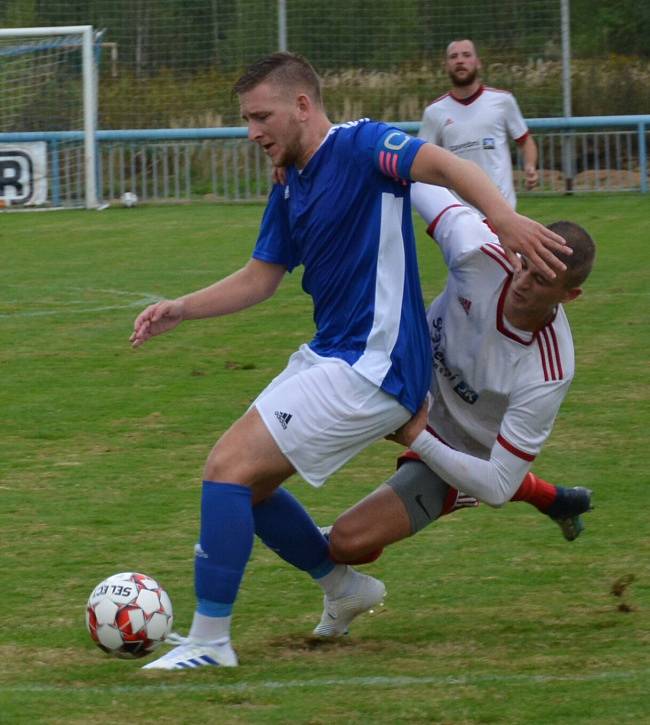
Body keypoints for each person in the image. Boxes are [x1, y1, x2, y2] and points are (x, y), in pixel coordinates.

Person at [129, 52, 569, 670]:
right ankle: (343, 586)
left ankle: (210, 642)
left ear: (302, 106)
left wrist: (504, 217)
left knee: (226, 467)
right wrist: (183, 308)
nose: (252, 132)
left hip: (376, 365)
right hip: (334, 353)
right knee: (249, 489)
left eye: (261, 117)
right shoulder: (291, 180)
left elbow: (440, 164)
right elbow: (262, 277)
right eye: (247, 119)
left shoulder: (364, 147)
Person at [324, 183, 595, 577]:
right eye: (525, 264)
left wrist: (419, 438)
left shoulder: (548, 369)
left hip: (458, 449)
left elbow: (499, 486)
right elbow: (412, 173)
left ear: (569, 296)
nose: (522, 281)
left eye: (541, 281)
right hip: (398, 381)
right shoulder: (479, 250)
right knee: (275, 442)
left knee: (345, 542)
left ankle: (344, 594)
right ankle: (556, 499)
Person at [419, 39, 539, 214]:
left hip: (501, 210)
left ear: (478, 62)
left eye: (466, 55)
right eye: (454, 57)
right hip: (459, 214)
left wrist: (530, 166)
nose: (460, 60)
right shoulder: (434, 112)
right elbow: (423, 159)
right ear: (446, 65)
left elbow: (525, 140)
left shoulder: (503, 101)